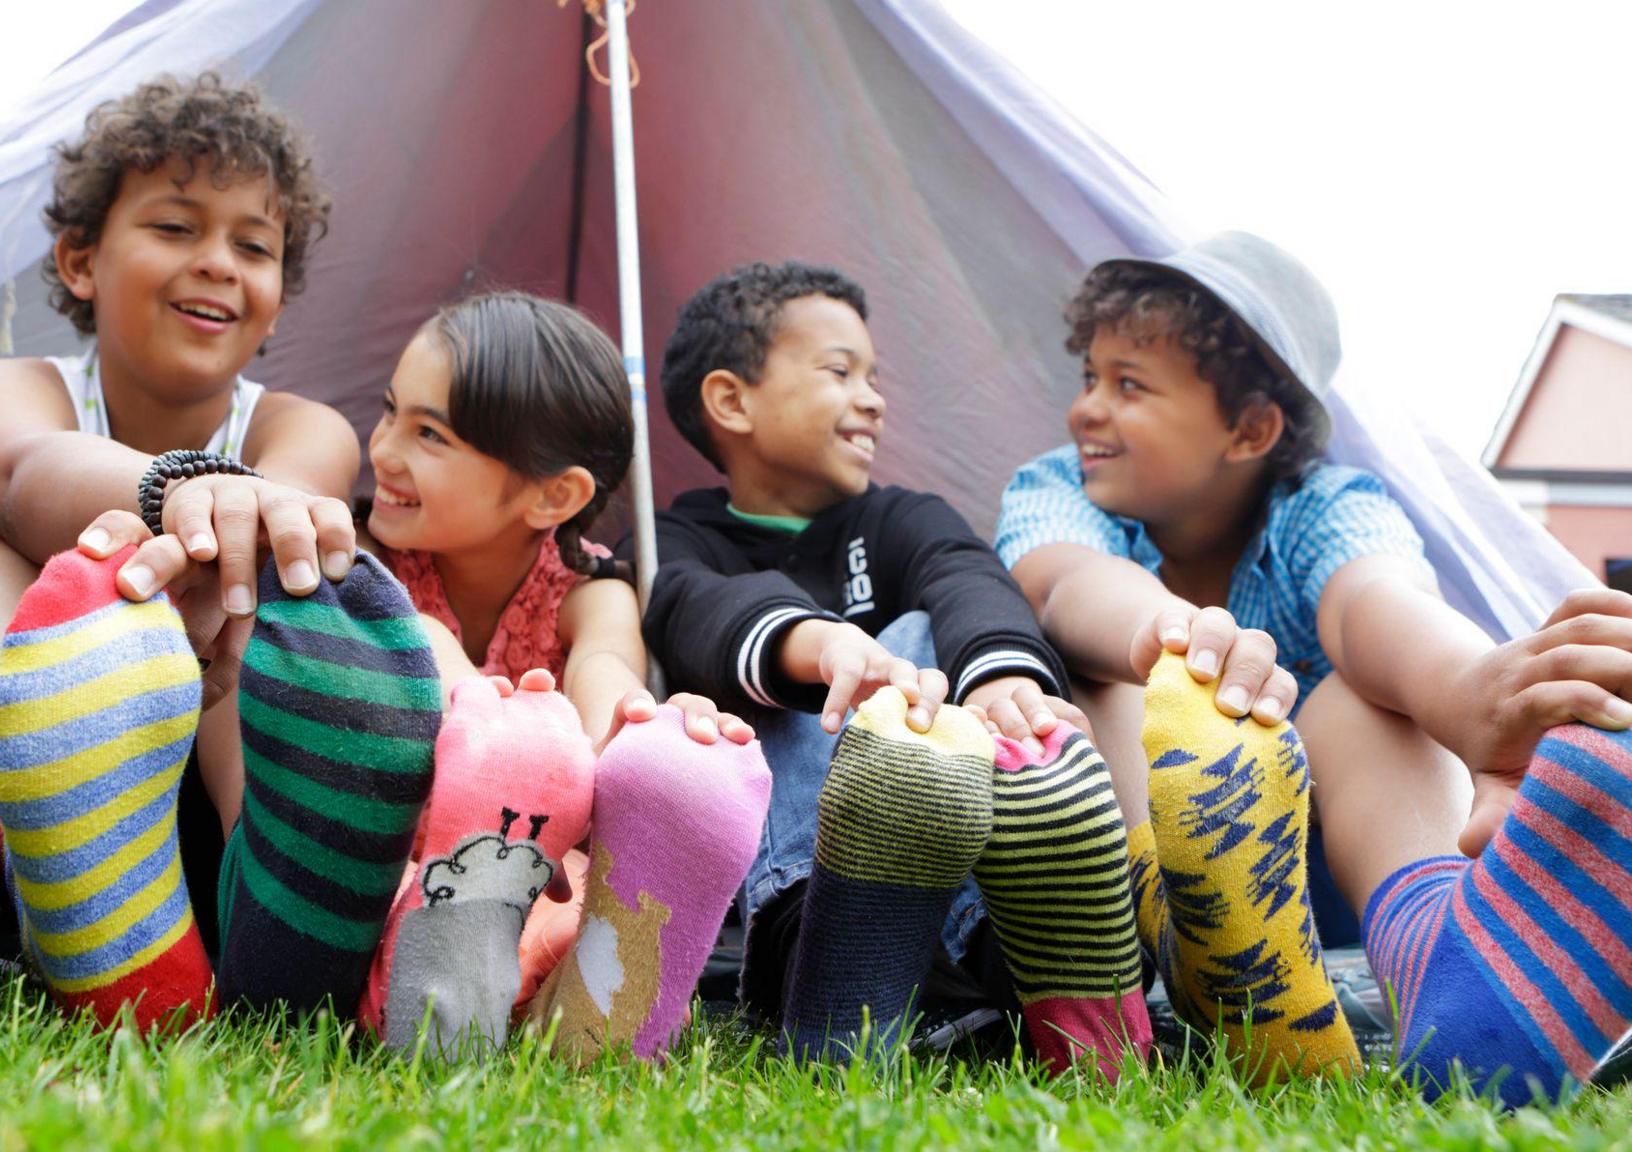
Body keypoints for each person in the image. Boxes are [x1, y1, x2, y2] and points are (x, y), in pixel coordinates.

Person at [997, 231, 1632, 1097]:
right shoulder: (1056, 487)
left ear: (1251, 429)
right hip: (1133, 874)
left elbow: (1375, 595)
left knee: (1364, 695)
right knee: (1099, 672)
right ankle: (1187, 929)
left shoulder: (1327, 503)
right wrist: (1174, 637)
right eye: (1089, 379)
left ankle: (1445, 963)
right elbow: (1065, 581)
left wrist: (1471, 693)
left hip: (1339, 873)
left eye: (1128, 385)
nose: (1085, 410)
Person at [0, 73, 358, 1029]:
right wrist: (181, 495)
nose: (219, 263)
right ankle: (43, 867)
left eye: (254, 246)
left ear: (278, 301)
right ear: (81, 261)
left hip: (209, 786)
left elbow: (296, 498)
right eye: (175, 227)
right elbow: (17, 469)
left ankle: (280, 896)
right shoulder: (17, 385)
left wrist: (233, 523)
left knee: (269, 570)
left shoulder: (301, 425)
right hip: (84, 790)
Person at [642, 261, 1149, 1075]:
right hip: (800, 863)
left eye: (875, 378)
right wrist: (822, 647)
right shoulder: (674, 538)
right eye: (840, 372)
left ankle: (1005, 943)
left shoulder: (900, 517)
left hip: (949, 855)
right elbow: (692, 608)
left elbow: (964, 574)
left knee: (922, 630)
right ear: (732, 401)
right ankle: (823, 930)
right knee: (755, 690)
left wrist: (1002, 682)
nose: (874, 399)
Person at [350, 291, 771, 1061]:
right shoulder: (361, 564)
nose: (382, 450)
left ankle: (585, 1012)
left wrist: (640, 734)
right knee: (394, 902)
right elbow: (422, 650)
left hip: (536, 873)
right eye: (388, 412)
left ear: (556, 495)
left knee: (575, 911)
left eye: (429, 434)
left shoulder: (589, 589)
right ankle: (451, 998)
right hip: (401, 859)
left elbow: (605, 669)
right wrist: (482, 710)